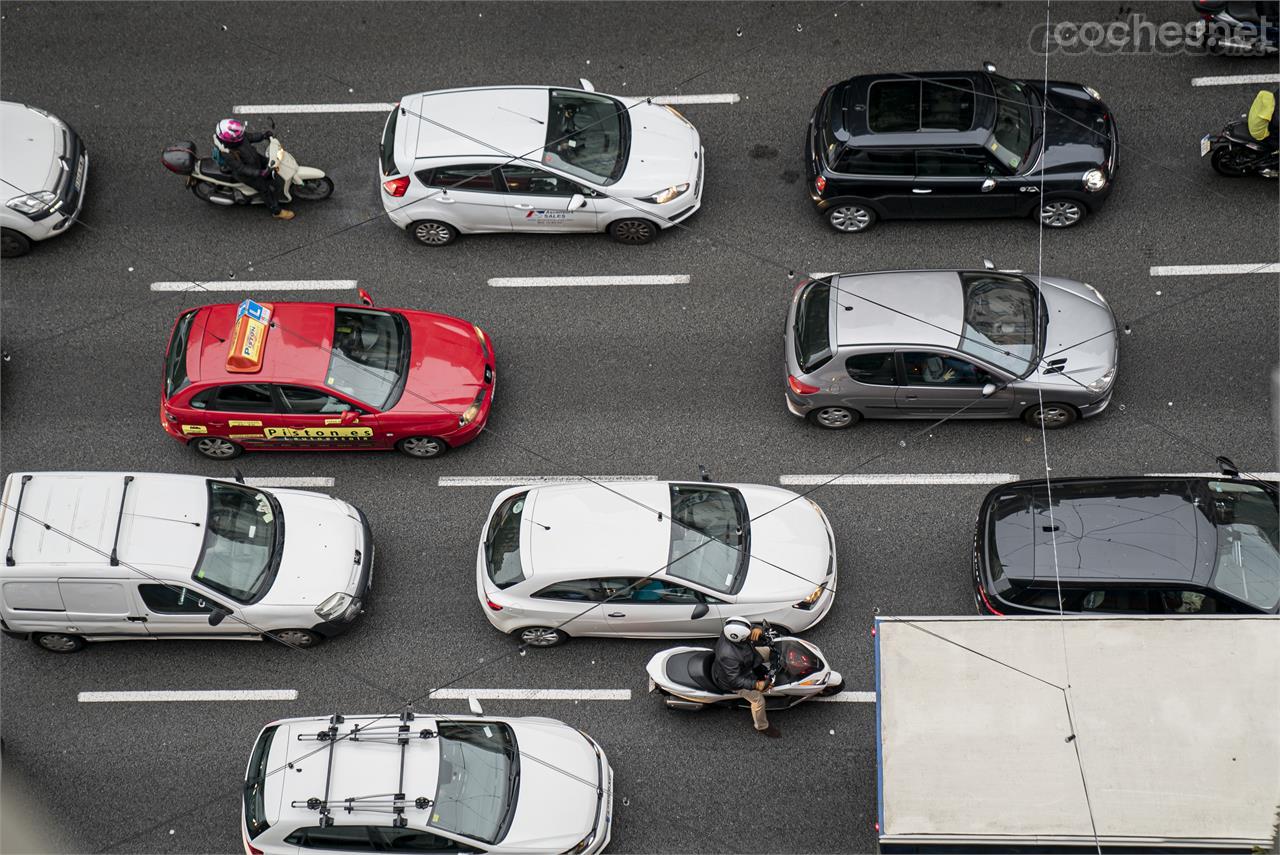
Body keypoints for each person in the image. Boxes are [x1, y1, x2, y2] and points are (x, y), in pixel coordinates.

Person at [711, 616, 780, 738]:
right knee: (758, 700)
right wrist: (756, 685)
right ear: (740, 638)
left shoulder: (731, 631)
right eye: (748, 636)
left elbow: (747, 627)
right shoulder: (728, 655)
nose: (750, 636)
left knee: (772, 651)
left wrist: (758, 629)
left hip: (747, 658)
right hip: (733, 679)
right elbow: (735, 680)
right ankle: (762, 726)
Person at [213, 118, 294, 220]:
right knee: (264, 189)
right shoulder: (227, 153)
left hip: (254, 158)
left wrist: (263, 135)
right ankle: (276, 211)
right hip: (247, 174)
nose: (242, 136)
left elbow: (250, 136)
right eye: (239, 136)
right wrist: (259, 173)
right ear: (230, 140)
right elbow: (241, 168)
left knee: (271, 162)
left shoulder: (238, 136)